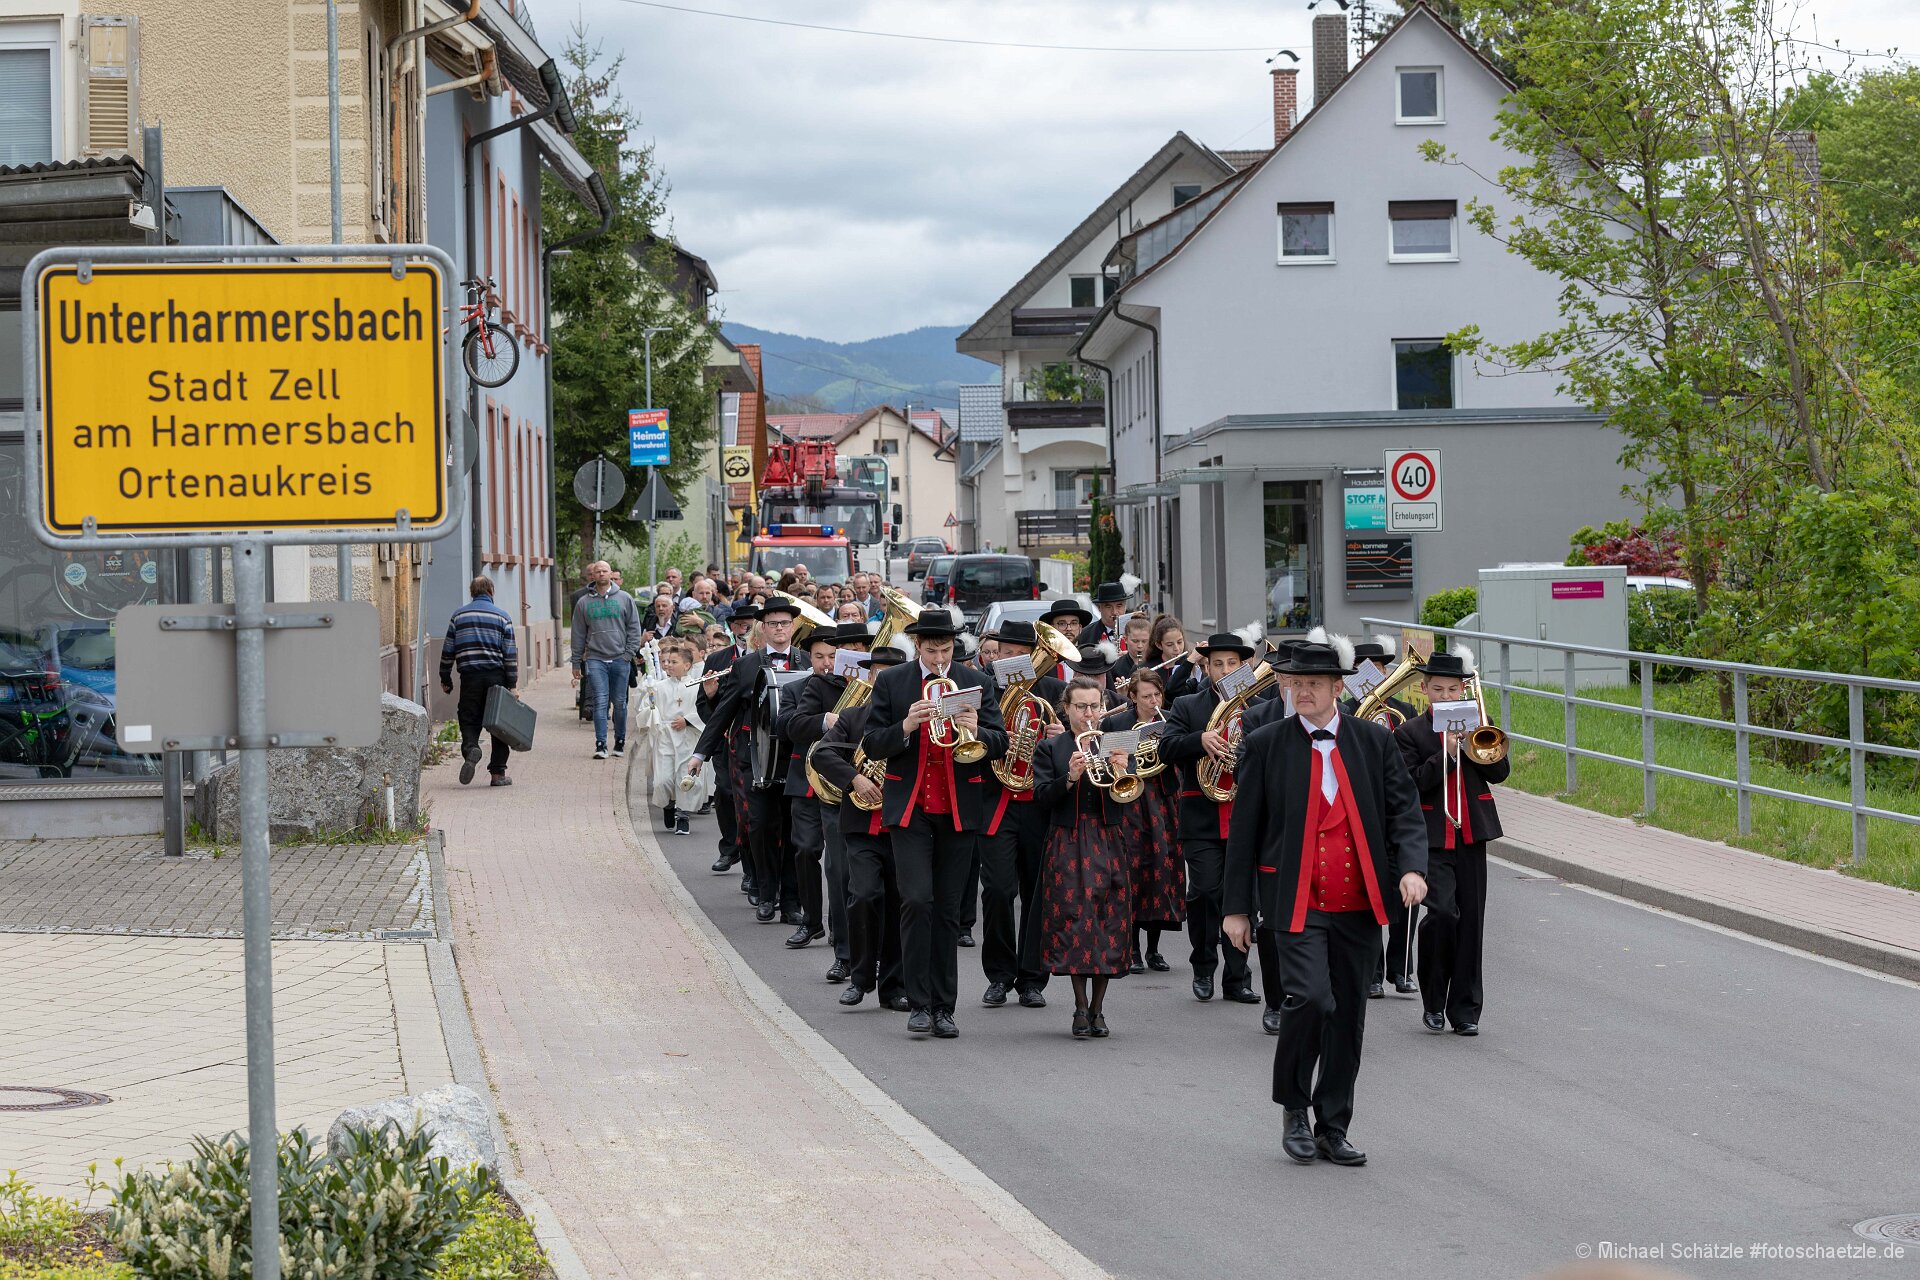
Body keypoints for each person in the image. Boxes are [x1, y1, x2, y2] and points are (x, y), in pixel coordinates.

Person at [1223, 630, 1427, 1168]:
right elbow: (1244, 832)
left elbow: (1405, 811)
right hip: (1296, 901)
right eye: (1296, 684)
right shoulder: (1265, 743)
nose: (1303, 692)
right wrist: (1236, 908)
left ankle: (1333, 1126)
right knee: (1312, 999)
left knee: (1348, 1017)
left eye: (1313, 683)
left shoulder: (1373, 741)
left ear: (1338, 688)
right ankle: (1295, 1108)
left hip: (1358, 904)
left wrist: (1411, 868)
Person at [860, 608, 1008, 1039]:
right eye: (931, 650)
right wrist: (906, 725)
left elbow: (1000, 743)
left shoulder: (976, 682)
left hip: (959, 810)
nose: (940, 658)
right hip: (910, 809)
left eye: (945, 650)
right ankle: (918, 1003)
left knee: (946, 910)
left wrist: (977, 730)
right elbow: (872, 743)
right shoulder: (893, 682)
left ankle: (944, 1008)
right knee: (916, 900)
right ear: (917, 646)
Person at [1395, 646, 1507, 1036]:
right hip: (1432, 836)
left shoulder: (1479, 723)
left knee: (1471, 922)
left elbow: (1500, 773)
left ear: (1463, 690)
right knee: (1442, 915)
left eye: (1452, 689)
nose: (1445, 696)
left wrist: (1474, 744)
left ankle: (1465, 1010)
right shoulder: (1410, 733)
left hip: (1472, 833)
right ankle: (1433, 999)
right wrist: (1445, 754)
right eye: (1438, 689)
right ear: (1424, 689)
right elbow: (1410, 785)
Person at [1160, 631, 1266, 1006]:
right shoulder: (1188, 705)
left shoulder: (1259, 706)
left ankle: (1237, 978)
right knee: (1205, 892)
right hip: (1201, 815)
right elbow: (1166, 747)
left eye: (1232, 663)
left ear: (1244, 667)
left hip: (1245, 817)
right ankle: (1203, 967)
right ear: (1206, 668)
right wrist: (1199, 740)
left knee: (1242, 899)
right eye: (1217, 664)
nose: (1224, 670)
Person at [690, 596, 806, 924]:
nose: (779, 628)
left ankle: (792, 901)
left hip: (795, 761)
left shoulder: (806, 661)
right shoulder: (745, 666)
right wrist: (700, 753)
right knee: (759, 827)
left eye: (784, 623)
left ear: (793, 626)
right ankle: (766, 895)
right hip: (755, 761)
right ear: (763, 629)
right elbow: (723, 713)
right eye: (773, 624)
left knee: (794, 832)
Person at [1033, 677, 1137, 1037]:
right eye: (1081, 707)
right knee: (1076, 920)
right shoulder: (1051, 747)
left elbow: (1129, 795)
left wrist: (1123, 768)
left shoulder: (1115, 742)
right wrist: (1070, 777)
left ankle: (1098, 1008)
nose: (1088, 713)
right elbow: (1041, 797)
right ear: (1067, 709)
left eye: (1094, 706)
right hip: (1068, 840)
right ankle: (1080, 1007)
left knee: (1109, 921)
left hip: (1109, 838)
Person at [813, 642, 913, 1010]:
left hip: (903, 825)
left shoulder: (914, 720)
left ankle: (893, 987)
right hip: (862, 826)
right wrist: (855, 778)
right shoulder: (854, 717)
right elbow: (822, 753)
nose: (884, 682)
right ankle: (860, 977)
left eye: (891, 677)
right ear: (869, 679)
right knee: (865, 896)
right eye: (878, 675)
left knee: (900, 903)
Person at [975, 619, 1067, 1010]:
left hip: (1038, 804)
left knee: (1037, 892)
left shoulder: (1054, 691)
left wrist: (1060, 739)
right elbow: (969, 742)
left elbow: (1078, 742)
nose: (1011, 660)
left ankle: (1032, 978)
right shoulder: (983, 689)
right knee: (997, 889)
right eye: (1005, 653)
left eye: (1019, 654)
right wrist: (998, 739)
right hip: (996, 802)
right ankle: (999, 975)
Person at [1103, 669, 1183, 974]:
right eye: (1146, 696)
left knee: (1162, 870)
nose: (1154, 701)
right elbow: (1106, 759)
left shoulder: (1170, 720)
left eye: (1157, 695)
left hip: (1163, 799)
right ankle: (1132, 947)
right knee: (1133, 871)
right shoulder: (1117, 722)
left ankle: (1154, 949)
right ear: (1133, 697)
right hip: (1131, 801)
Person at [774, 620, 847, 950]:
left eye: (832, 656)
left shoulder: (853, 687)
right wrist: (822, 721)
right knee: (805, 850)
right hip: (805, 783)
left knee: (839, 862)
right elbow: (785, 725)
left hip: (841, 784)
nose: (826, 663)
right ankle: (811, 920)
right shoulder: (795, 688)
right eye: (819, 657)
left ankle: (840, 926)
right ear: (810, 658)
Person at [438, 575, 519, 788]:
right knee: (499, 724)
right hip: (496, 677)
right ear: (491, 591)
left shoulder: (459, 616)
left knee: (468, 718)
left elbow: (448, 650)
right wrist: (512, 684)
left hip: (470, 677)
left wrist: (445, 677)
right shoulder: (503, 617)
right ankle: (498, 774)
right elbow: (510, 654)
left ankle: (471, 748)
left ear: (472, 592)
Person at [571, 566, 641, 761]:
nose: (601, 574)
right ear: (592, 575)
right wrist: (576, 662)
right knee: (600, 702)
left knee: (620, 702)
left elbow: (634, 627)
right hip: (595, 659)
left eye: (605, 571)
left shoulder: (625, 598)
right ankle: (600, 744)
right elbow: (577, 633)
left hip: (620, 659)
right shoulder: (584, 602)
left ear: (610, 574)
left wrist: (628, 654)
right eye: (598, 571)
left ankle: (620, 741)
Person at [651, 639, 709, 834]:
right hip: (666, 737)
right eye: (667, 661)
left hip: (687, 737)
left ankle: (683, 816)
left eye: (674, 662)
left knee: (685, 777)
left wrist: (688, 720)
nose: (668, 665)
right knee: (663, 779)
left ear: (687, 665)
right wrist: (653, 714)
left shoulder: (697, 686)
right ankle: (668, 804)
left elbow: (705, 709)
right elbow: (650, 709)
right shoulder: (659, 686)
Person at [1150, 616, 1202, 701]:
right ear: (1159, 645)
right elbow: (1169, 693)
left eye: (1179, 642)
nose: (1177, 649)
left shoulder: (1191, 662)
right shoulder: (1149, 668)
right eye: (1170, 645)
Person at [1037, 600, 1091, 679]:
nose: (1069, 628)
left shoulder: (1090, 659)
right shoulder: (1041, 661)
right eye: (1062, 624)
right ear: (1051, 628)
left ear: (1080, 628)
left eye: (1074, 623)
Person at [1083, 582, 1129, 648]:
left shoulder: (1139, 631)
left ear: (1125, 606)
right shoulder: (1086, 634)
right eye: (1108, 607)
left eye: (1119, 606)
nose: (1114, 612)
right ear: (1099, 608)